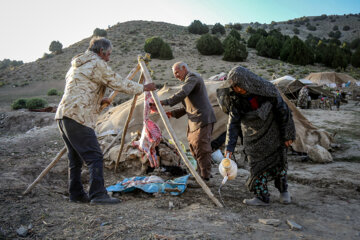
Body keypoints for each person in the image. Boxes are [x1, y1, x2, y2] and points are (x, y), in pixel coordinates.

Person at [55, 37, 156, 204]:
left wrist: (99, 100)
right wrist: (143, 88)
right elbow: (118, 83)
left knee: (75, 159)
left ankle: (77, 194)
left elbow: (81, 89)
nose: (108, 58)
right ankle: (98, 194)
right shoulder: (97, 63)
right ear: (101, 52)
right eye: (108, 54)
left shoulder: (77, 66)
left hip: (63, 115)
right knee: (95, 156)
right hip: (78, 116)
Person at [217, 66, 296, 206]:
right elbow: (233, 125)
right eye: (234, 87)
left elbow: (283, 112)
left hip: (273, 132)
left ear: (247, 81)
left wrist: (287, 135)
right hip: (252, 137)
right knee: (255, 165)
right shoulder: (234, 98)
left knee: (279, 162)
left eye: (239, 86)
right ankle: (262, 197)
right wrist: (229, 148)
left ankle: (284, 192)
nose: (238, 89)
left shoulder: (267, 90)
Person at [159, 62, 216, 181]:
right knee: (194, 148)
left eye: (176, 72)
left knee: (202, 148)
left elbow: (183, 93)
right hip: (195, 120)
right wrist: (172, 113)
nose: (176, 76)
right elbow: (188, 106)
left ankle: (205, 178)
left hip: (202, 119)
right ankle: (200, 175)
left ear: (184, 68)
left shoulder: (193, 78)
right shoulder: (188, 83)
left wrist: (164, 102)